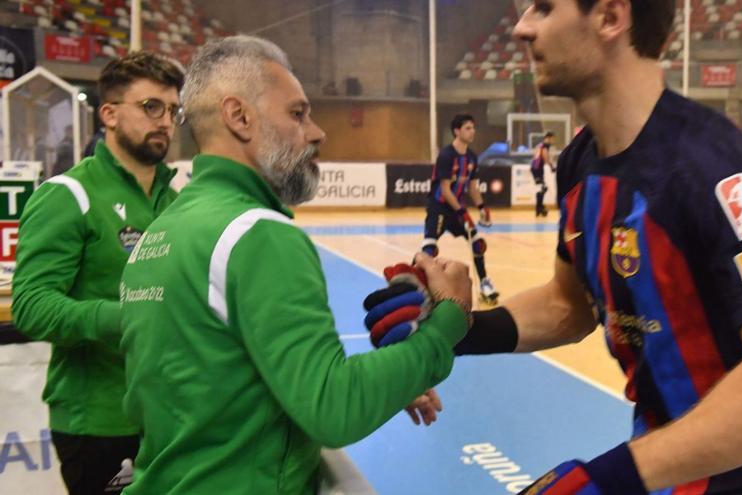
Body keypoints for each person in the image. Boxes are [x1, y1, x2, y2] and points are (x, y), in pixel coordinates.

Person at [369, 1, 742, 494]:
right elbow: (567, 306)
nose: (521, 28)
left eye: (545, 7)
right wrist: (452, 332)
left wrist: (611, 477)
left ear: (611, 18)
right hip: (661, 467)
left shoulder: (709, 164)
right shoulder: (580, 162)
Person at [118, 35, 472, 495]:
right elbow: (333, 408)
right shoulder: (258, 234)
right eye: (298, 113)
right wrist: (447, 323)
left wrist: (394, 379)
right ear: (239, 117)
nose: (317, 132)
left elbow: (220, 387)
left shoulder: (165, 228)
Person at [12, 52, 185, 494]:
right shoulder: (68, 195)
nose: (165, 120)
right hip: (99, 424)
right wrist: (129, 317)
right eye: (150, 107)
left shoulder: (177, 201)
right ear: (109, 114)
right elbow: (31, 307)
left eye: (171, 109)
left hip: (171, 418)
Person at [422, 114, 498, 304]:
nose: (472, 131)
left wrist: (481, 206)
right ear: (457, 131)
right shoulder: (447, 156)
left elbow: (472, 187)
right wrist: (462, 212)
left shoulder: (472, 157)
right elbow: (446, 190)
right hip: (439, 207)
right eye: (467, 128)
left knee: (477, 243)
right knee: (429, 250)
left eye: (473, 128)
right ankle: (417, 289)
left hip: (457, 209)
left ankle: (484, 284)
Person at [530, 131, 556, 216]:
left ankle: (539, 207)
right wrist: (551, 166)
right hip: (537, 169)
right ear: (548, 138)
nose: (553, 140)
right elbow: (545, 157)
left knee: (542, 188)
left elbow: (535, 156)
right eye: (552, 138)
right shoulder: (545, 146)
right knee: (543, 187)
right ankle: (539, 207)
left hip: (536, 168)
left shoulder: (540, 145)